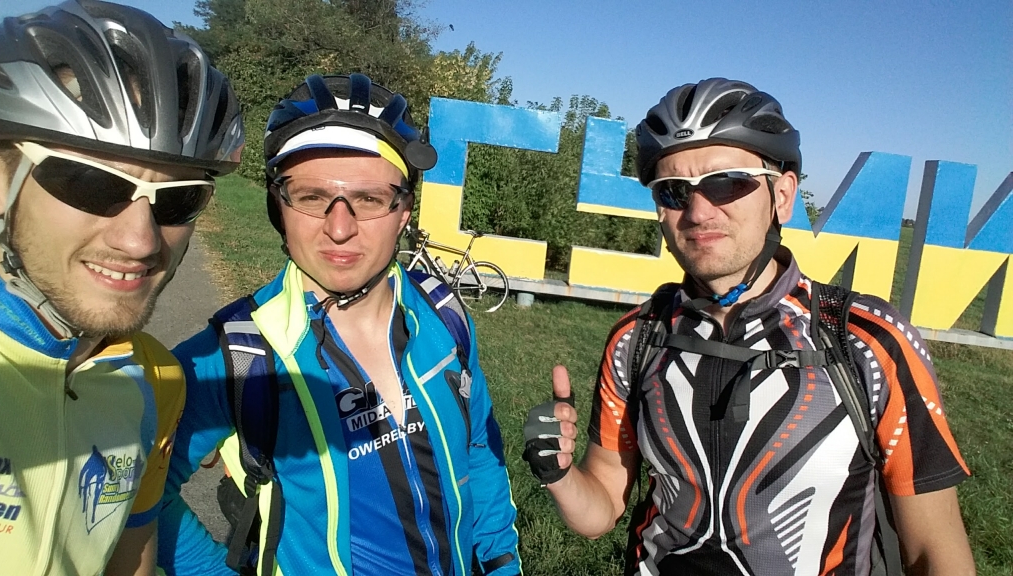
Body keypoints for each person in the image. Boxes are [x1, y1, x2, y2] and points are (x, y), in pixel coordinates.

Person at [523, 78, 975, 576]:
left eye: (726, 182)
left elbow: (934, 549)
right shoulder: (637, 338)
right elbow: (604, 505)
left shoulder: (866, 342)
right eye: (674, 191)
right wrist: (558, 474)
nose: (698, 212)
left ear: (782, 195)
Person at [158, 73, 521, 576]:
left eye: (369, 199)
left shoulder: (444, 314)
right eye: (311, 197)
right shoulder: (234, 357)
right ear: (278, 208)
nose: (340, 228)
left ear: (403, 211)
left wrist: (502, 565)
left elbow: (478, 449)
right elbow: (141, 500)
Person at [0, 0, 244, 574]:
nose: (139, 241)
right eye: (92, 184)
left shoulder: (157, 380)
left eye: (179, 198)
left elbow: (131, 555)